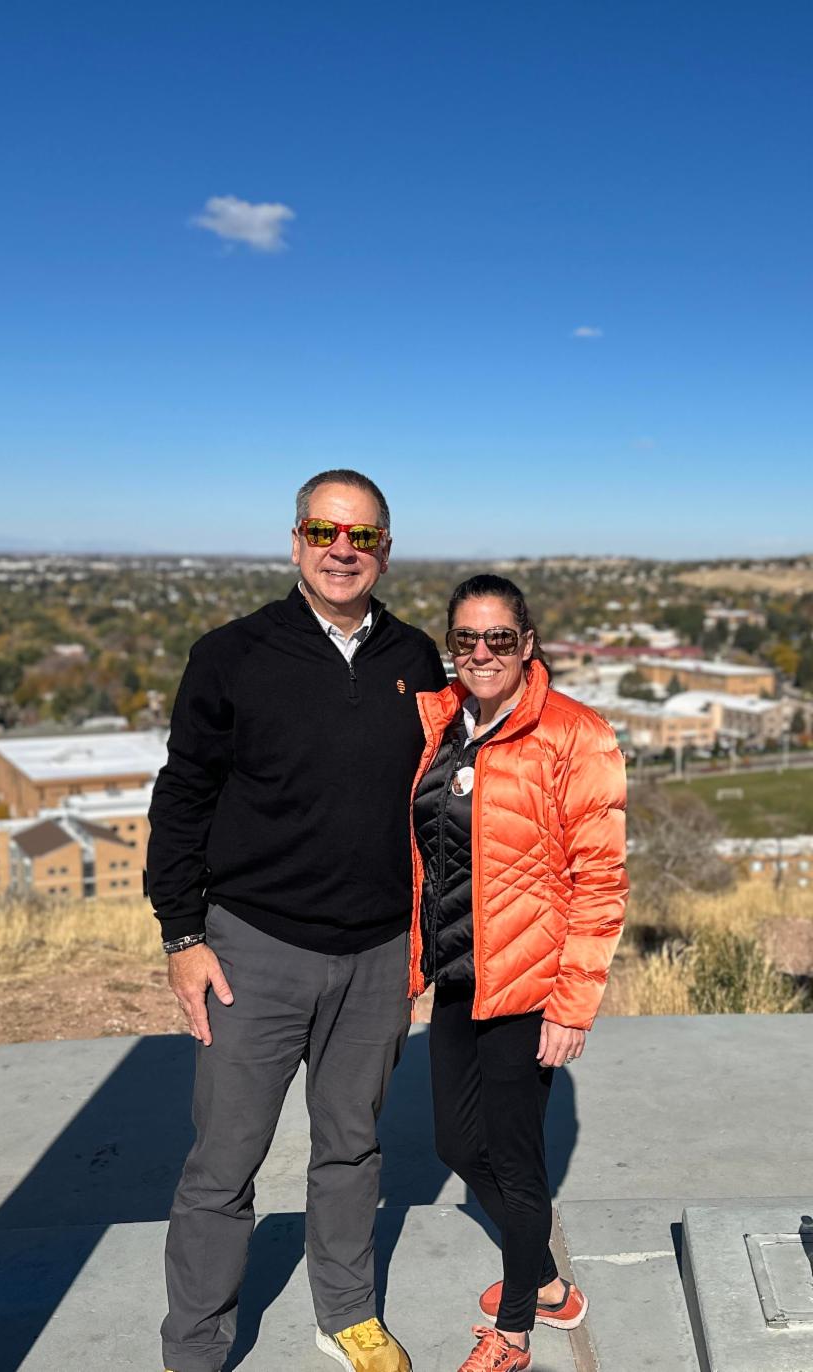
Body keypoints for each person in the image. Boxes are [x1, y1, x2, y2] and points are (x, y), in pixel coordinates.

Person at [147, 469, 447, 1372]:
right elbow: (184, 796)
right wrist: (181, 936)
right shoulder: (231, 655)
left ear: (386, 552)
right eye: (324, 532)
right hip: (254, 951)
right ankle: (195, 1347)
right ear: (296, 543)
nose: (342, 550)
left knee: (352, 1148)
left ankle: (345, 1312)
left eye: (361, 536)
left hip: (379, 952)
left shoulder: (418, 659)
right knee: (223, 1164)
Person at [410, 574, 628, 1372]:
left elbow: (601, 882)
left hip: (531, 986)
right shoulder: (442, 724)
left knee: (514, 1157)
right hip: (459, 976)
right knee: (454, 1144)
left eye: (498, 638)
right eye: (465, 639)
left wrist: (573, 1006)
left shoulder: (576, 735)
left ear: (527, 644)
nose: (481, 653)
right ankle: (542, 1280)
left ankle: (513, 1332)